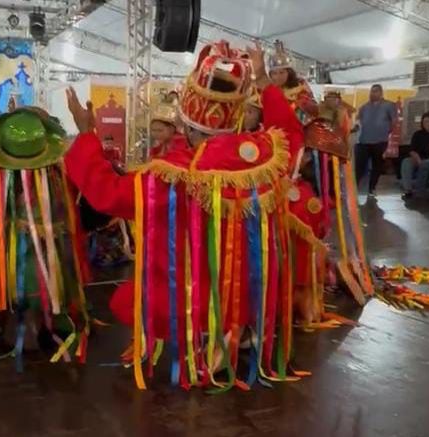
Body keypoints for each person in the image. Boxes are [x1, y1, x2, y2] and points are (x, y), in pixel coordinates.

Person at [64, 41, 305, 390]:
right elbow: (292, 134)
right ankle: (240, 333)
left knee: (129, 300)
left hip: (187, 303)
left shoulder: (170, 174)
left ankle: (203, 342)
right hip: (247, 301)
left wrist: (87, 134)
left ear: (187, 124)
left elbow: (106, 194)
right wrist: (265, 81)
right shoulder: (266, 158)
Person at [0, 107, 91, 368]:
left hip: (25, 244)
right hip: (47, 244)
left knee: (28, 273)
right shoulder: (58, 173)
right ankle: (41, 319)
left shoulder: (3, 179)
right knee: (44, 271)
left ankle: (31, 320)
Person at [354, 84, 397, 196]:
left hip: (380, 141)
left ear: (381, 93)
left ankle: (372, 188)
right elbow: (358, 122)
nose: (373, 94)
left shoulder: (389, 105)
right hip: (363, 141)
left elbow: (393, 122)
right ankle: (354, 188)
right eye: (372, 91)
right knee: (359, 165)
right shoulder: (364, 107)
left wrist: (385, 132)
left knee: (377, 165)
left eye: (376, 91)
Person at [149, 95, 188, 159]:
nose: (156, 134)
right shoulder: (158, 147)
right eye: (153, 130)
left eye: (160, 130)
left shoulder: (181, 144)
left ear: (172, 129)